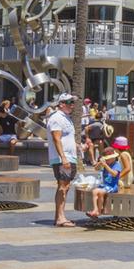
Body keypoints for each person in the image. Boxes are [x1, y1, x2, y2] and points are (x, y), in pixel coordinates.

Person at [47, 93, 79, 227]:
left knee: (65, 186)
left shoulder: (66, 118)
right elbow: (56, 138)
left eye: (73, 102)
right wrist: (63, 158)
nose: (72, 104)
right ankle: (60, 218)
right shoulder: (56, 118)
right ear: (61, 104)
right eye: (69, 102)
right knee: (63, 187)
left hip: (70, 157)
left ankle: (59, 216)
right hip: (63, 158)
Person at [87, 138, 132, 218]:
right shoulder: (107, 163)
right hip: (105, 185)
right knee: (100, 193)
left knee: (95, 191)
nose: (106, 161)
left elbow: (115, 174)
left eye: (108, 159)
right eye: (106, 159)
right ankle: (98, 210)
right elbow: (96, 169)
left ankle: (96, 210)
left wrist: (106, 166)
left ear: (113, 157)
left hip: (112, 186)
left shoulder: (116, 164)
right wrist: (100, 163)